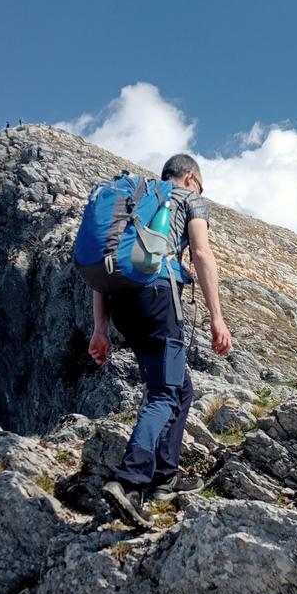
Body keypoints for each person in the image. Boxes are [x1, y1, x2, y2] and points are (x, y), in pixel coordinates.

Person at [88, 154, 232, 526]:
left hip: (122, 305)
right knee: (165, 393)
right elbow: (201, 253)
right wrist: (217, 317)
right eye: (201, 186)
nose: (202, 192)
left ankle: (164, 478)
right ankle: (130, 481)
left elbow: (105, 273)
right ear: (190, 178)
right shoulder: (187, 198)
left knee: (178, 388)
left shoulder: (133, 203)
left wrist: (100, 329)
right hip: (157, 300)